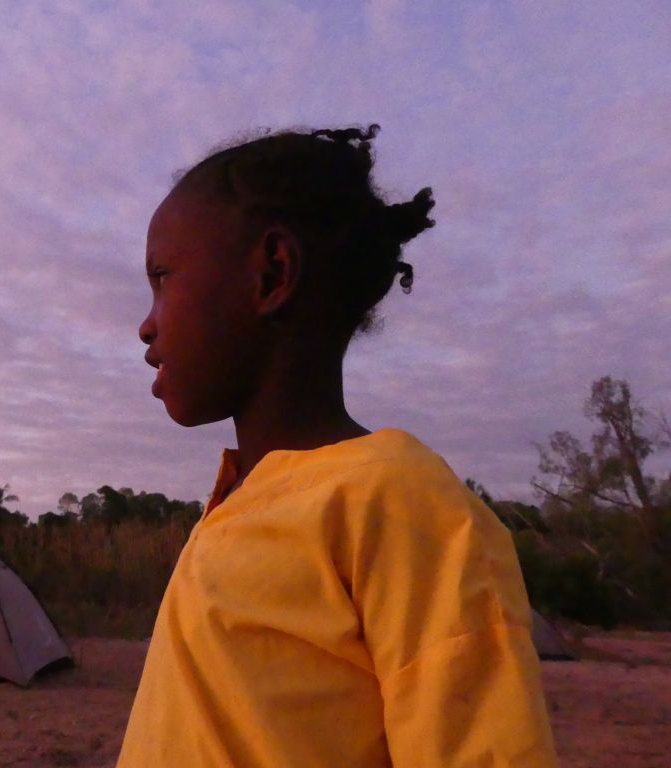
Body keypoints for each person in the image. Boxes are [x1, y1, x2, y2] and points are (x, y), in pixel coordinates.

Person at [117, 126, 558, 767]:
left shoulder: (400, 502)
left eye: (163, 277)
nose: (147, 323)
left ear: (272, 272)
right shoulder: (240, 500)